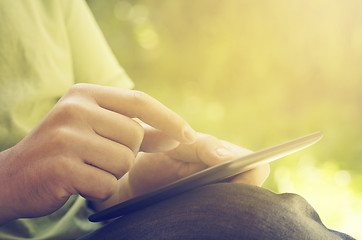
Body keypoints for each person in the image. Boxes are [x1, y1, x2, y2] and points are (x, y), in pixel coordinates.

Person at [0, 1, 355, 239]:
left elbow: (107, 130)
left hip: (90, 227)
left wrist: (130, 183)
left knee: (255, 215)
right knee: (259, 224)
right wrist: (10, 181)